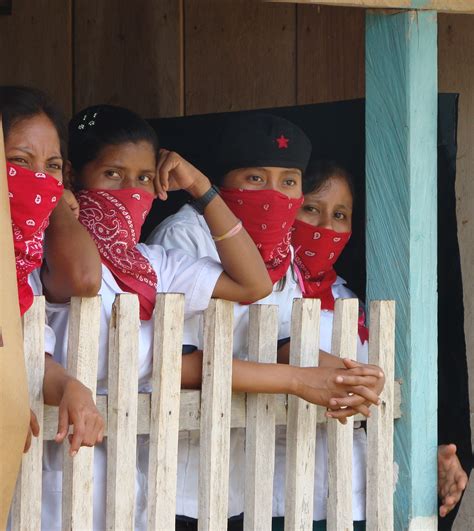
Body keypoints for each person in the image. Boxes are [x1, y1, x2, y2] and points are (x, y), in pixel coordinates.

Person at [42, 103, 274, 530]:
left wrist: (202, 189)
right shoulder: (44, 254)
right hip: (54, 475)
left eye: (144, 178)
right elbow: (82, 278)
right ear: (76, 175)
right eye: (113, 174)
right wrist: (57, 201)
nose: (131, 189)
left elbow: (253, 285)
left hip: (134, 477)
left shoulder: (152, 263)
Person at [147, 114, 384, 530]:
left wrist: (352, 378)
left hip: (236, 483)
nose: (275, 195)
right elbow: (174, 362)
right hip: (172, 478)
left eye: (289, 182)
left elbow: (280, 338)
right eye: (256, 179)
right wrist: (295, 380)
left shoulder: (279, 252)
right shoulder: (183, 235)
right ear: (222, 181)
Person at [290, 160, 469, 527]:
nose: (327, 227)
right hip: (276, 500)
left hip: (352, 499)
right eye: (311, 209)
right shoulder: (259, 287)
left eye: (340, 215)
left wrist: (425, 459)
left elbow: (377, 409)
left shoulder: (348, 300)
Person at [0, 85, 104, 526]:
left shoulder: (20, 267)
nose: (40, 179)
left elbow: (24, 357)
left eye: (53, 167)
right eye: (19, 162)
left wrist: (69, 386)